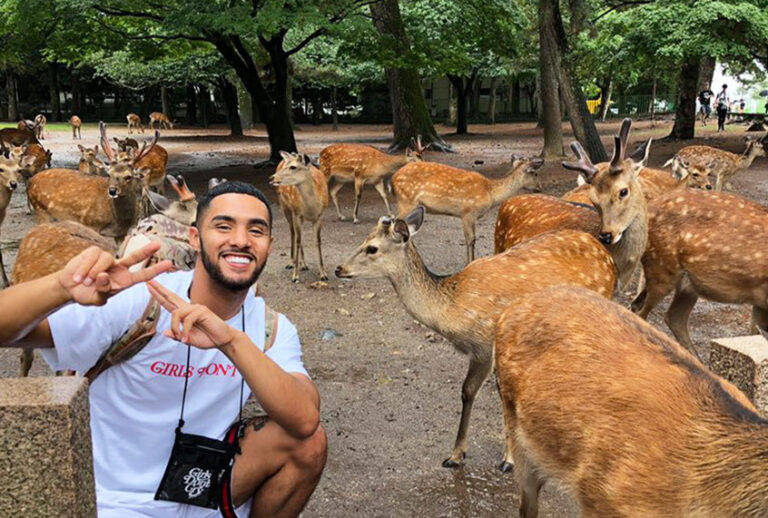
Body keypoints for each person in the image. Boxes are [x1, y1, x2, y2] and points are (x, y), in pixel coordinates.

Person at [0, 181, 327, 518]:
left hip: (202, 488)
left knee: (308, 444)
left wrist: (230, 340)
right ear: (194, 238)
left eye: (255, 230)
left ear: (269, 245)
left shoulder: (271, 327)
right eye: (224, 226)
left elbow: (305, 422)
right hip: (118, 503)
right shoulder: (140, 299)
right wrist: (61, 288)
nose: (241, 240)